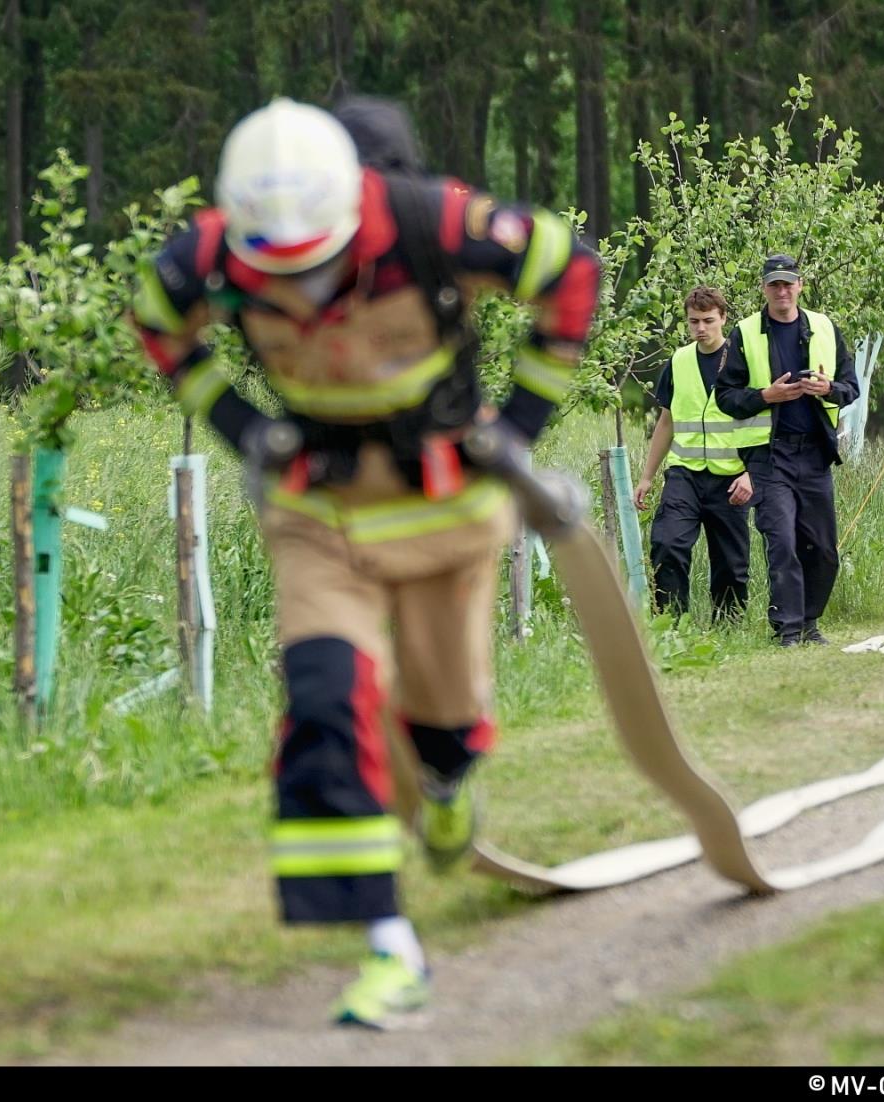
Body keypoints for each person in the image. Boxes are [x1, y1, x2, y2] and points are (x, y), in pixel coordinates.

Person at [130, 98, 599, 1028]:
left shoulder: (436, 222)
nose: (299, 295)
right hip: (321, 511)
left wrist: (518, 429)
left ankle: (447, 776)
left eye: (317, 269)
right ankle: (388, 944)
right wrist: (244, 430)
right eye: (277, 277)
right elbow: (157, 320)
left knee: (441, 718)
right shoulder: (211, 254)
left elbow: (571, 276)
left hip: (444, 503)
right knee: (323, 695)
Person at [714, 254, 861, 646]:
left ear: (800, 285)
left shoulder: (825, 328)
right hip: (768, 456)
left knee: (824, 548)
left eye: (788, 283)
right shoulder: (745, 334)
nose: (782, 291)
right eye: (774, 284)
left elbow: (851, 387)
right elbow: (725, 397)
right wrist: (766, 395)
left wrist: (828, 389)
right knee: (781, 542)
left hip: (815, 453)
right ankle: (789, 629)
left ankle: (810, 621)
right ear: (764, 288)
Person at [633, 286, 757, 619]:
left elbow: (763, 424)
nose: (700, 328)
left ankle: (728, 626)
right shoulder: (679, 362)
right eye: (693, 322)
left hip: (731, 477)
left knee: (731, 563)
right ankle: (673, 625)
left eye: (708, 321)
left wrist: (751, 474)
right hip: (683, 473)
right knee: (668, 545)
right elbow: (665, 423)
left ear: (723, 319)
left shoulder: (745, 363)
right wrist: (646, 476)